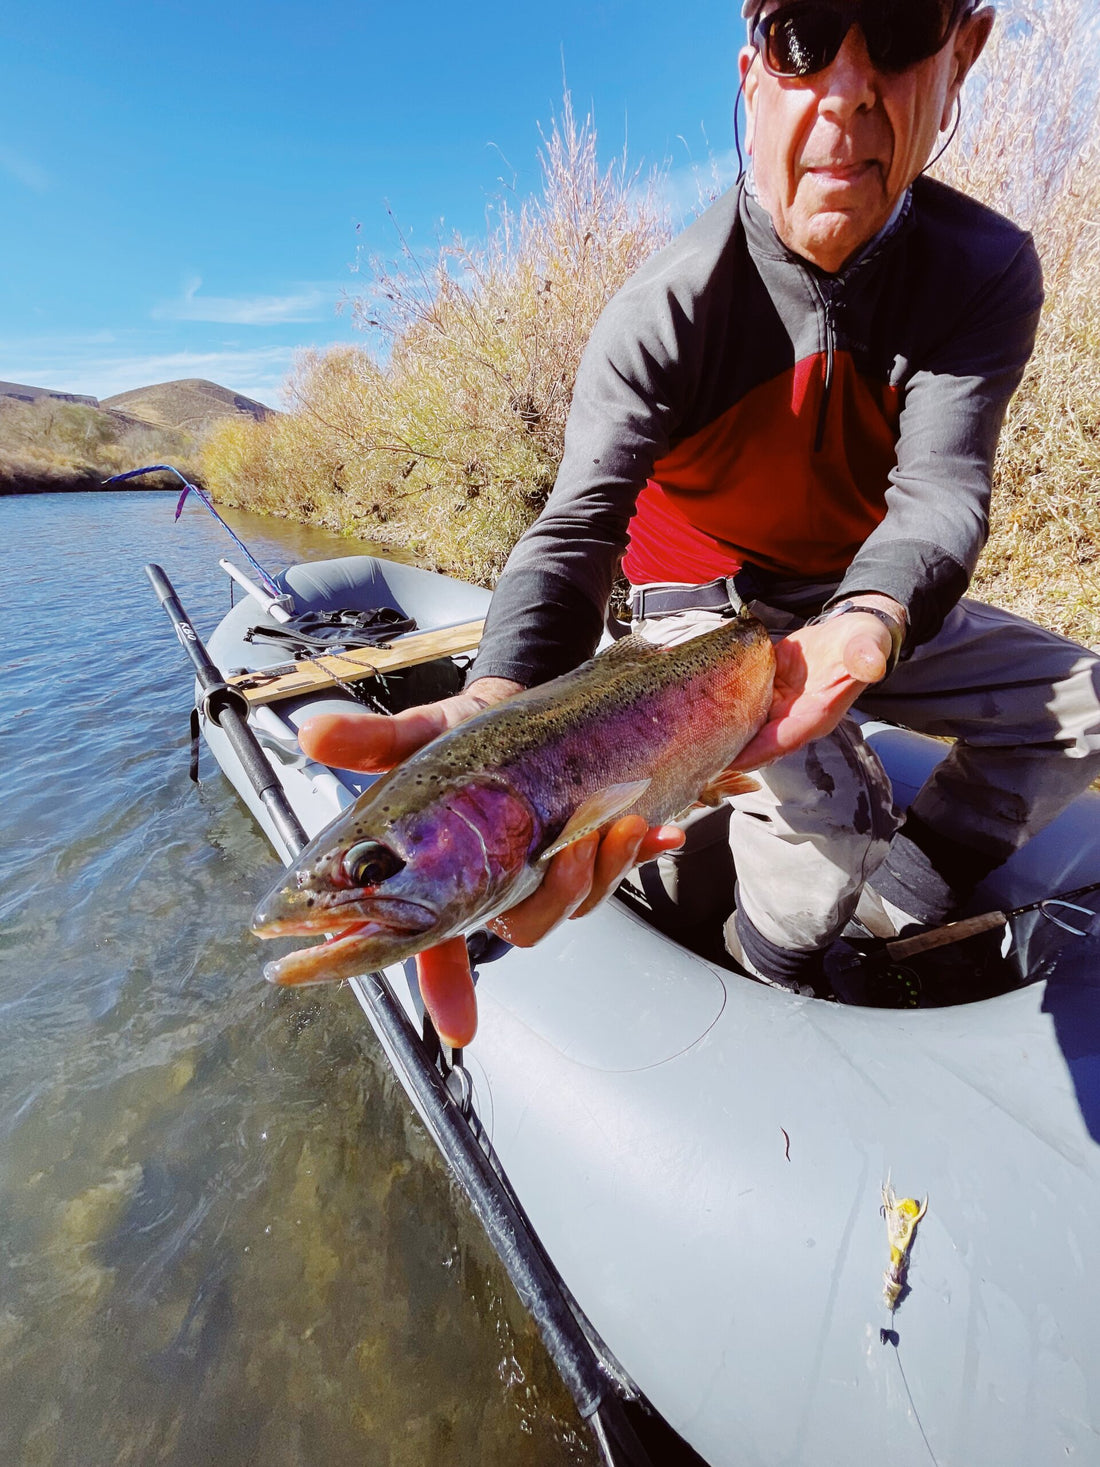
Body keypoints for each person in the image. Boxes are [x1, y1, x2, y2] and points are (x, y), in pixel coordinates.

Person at [300, 0, 1100, 1033]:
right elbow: (577, 526)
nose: (847, 86)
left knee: (1081, 708)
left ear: (962, 54)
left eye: (898, 30)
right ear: (752, 74)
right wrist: (496, 709)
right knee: (836, 813)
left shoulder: (984, 269)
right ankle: (769, 969)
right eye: (804, 36)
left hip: (863, 589)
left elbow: (939, 495)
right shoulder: (668, 304)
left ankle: (905, 895)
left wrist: (859, 626)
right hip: (693, 617)